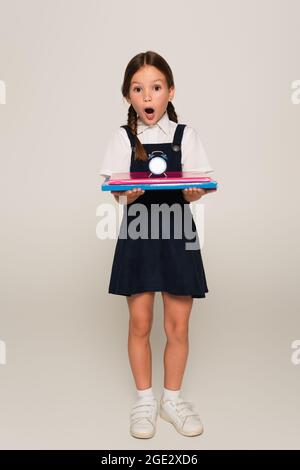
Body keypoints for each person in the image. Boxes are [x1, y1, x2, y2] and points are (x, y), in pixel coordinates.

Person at [99, 51, 217, 439]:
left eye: (155, 87)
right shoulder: (122, 137)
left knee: (178, 326)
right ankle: (145, 401)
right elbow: (118, 195)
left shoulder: (187, 136)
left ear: (170, 91)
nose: (147, 96)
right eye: (138, 89)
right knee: (140, 322)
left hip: (178, 234)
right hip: (138, 234)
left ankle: (172, 400)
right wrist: (129, 193)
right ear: (128, 96)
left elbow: (194, 193)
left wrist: (194, 192)